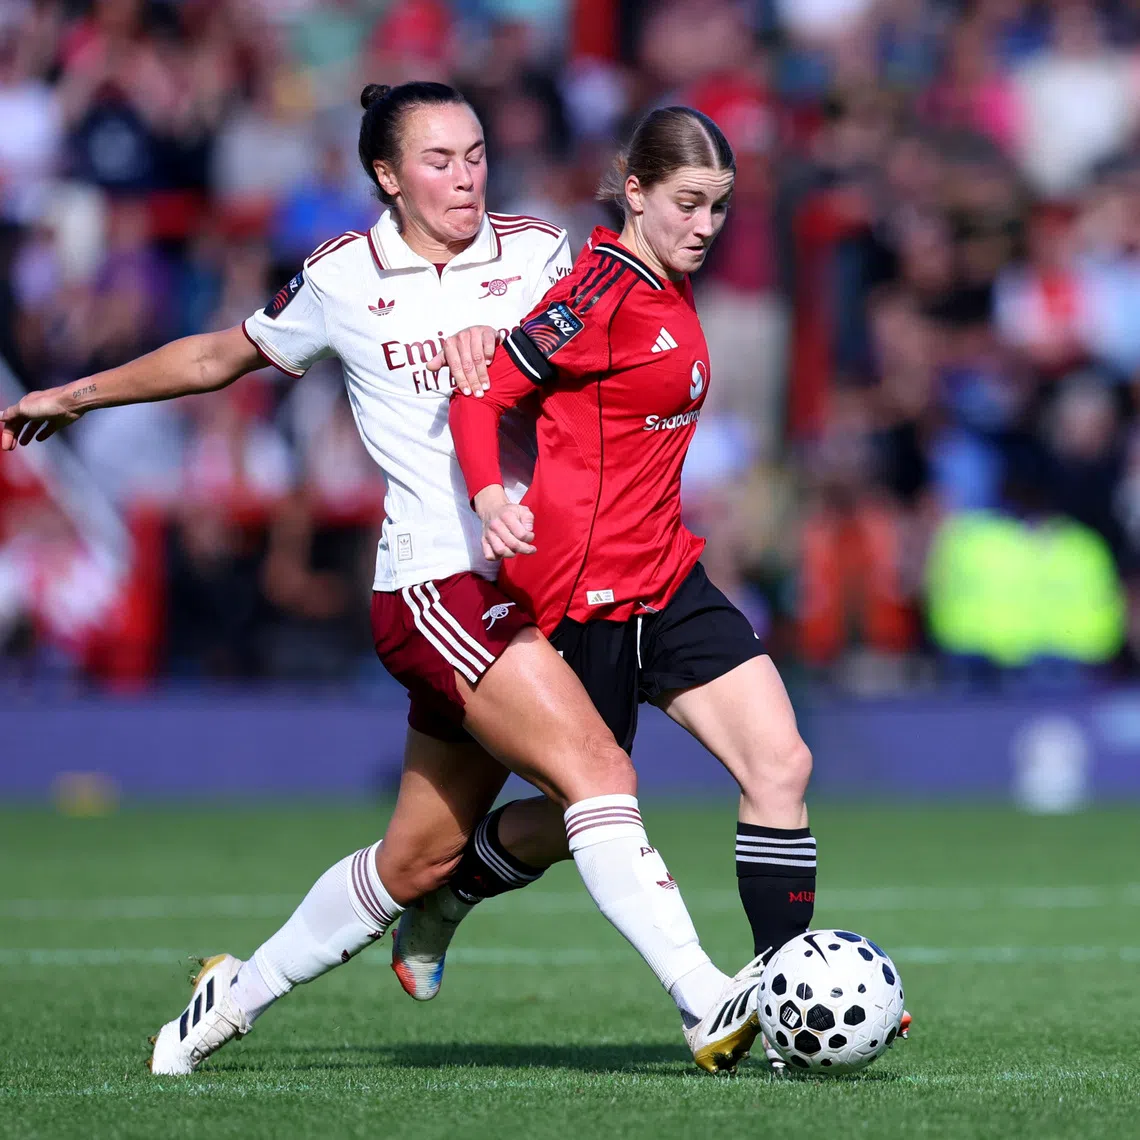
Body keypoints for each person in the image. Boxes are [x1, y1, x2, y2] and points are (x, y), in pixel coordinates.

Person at [1, 82, 763, 1076]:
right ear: (386, 176)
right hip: (436, 585)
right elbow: (218, 357)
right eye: (440, 160)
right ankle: (707, 1002)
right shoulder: (343, 277)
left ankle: (228, 998)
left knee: (417, 860)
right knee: (600, 777)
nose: (465, 176)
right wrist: (76, 394)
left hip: (536, 587)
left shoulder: (542, 252)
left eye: (477, 153)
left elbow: (600, 346)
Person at [391, 106, 913, 1051]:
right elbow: (485, 391)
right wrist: (486, 497)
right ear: (633, 191)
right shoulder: (598, 297)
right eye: (687, 204)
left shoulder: (670, 285)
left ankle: (777, 995)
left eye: (718, 207)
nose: (706, 226)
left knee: (781, 764)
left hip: (667, 578)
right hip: (578, 597)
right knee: (571, 814)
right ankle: (451, 892)